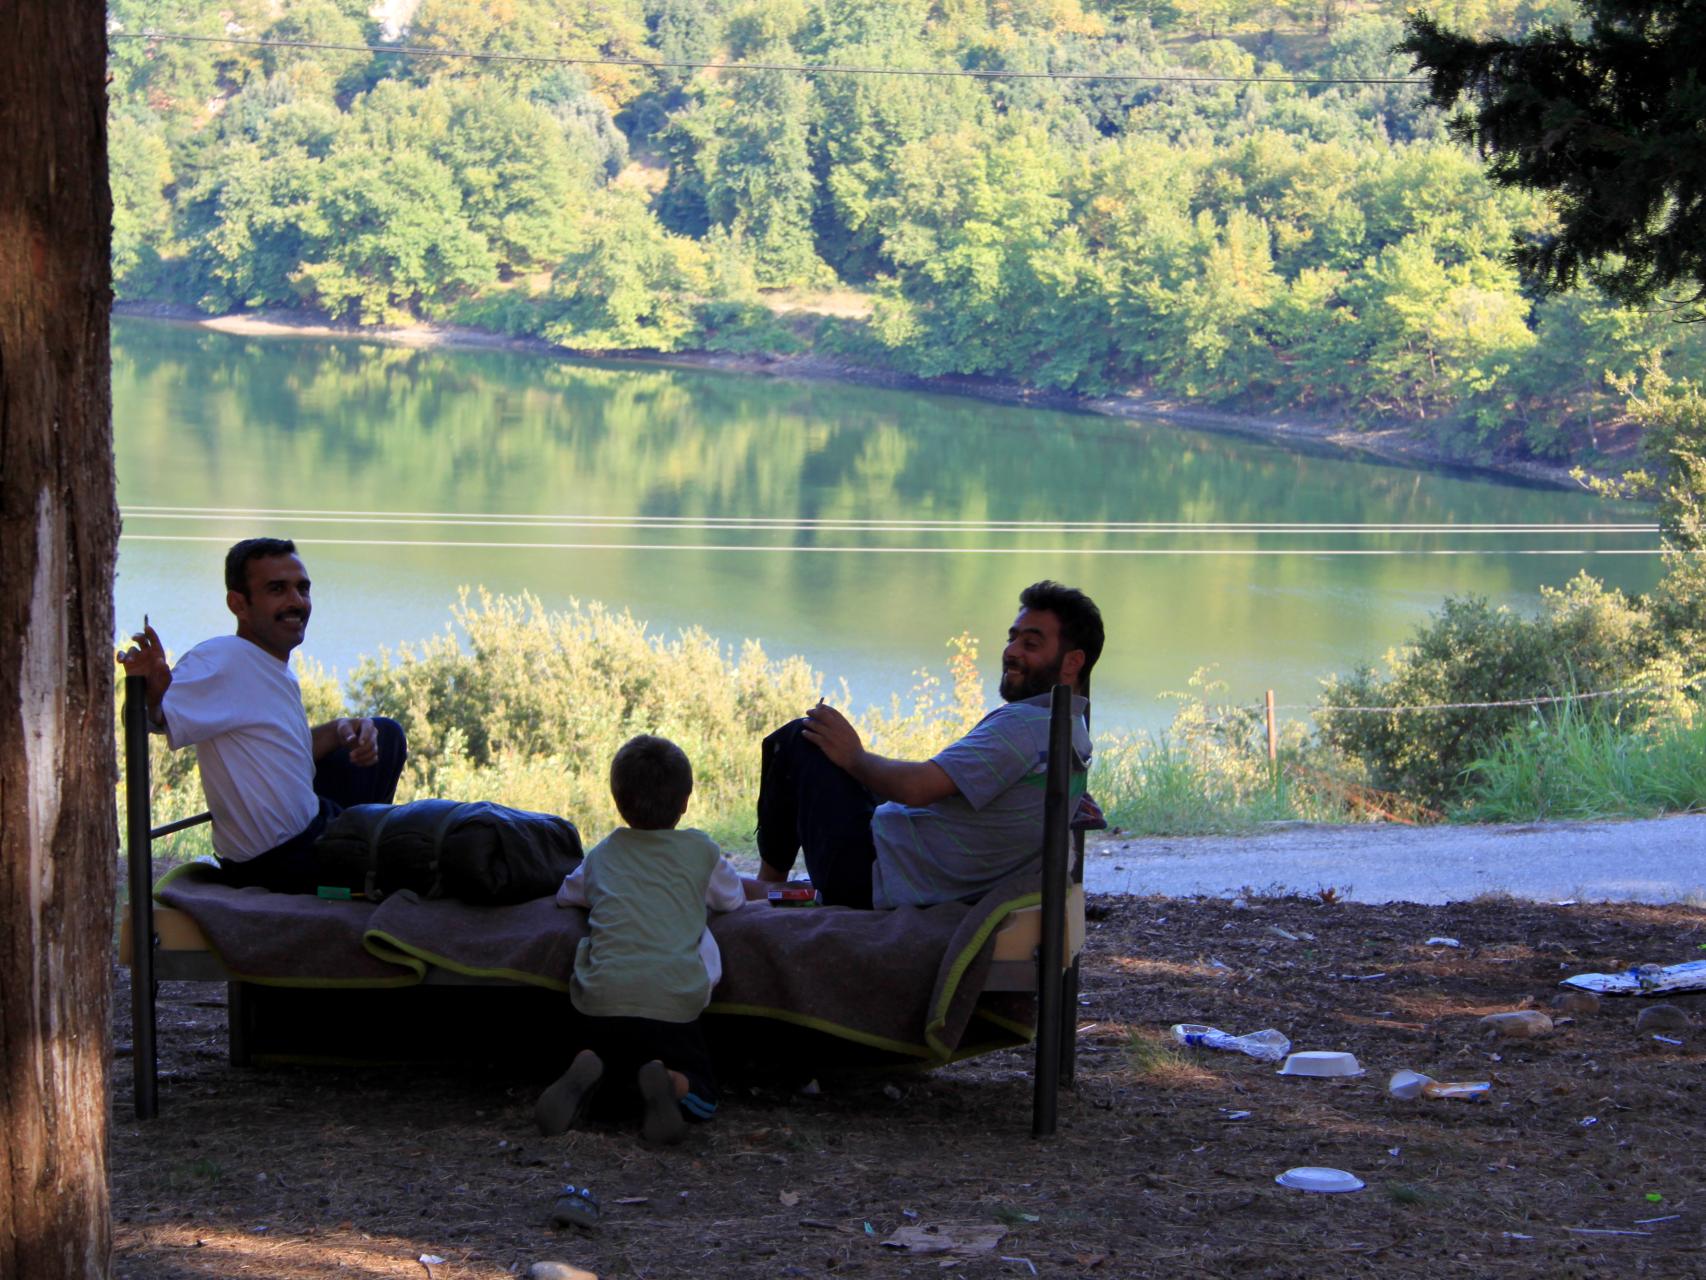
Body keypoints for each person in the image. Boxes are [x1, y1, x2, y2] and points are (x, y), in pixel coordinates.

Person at [754, 580, 1101, 910]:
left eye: (1031, 644)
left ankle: (768, 887)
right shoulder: (1072, 731)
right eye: (1012, 639)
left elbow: (917, 788)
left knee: (803, 737)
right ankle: (774, 893)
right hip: (926, 869)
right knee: (859, 780)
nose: (1011, 651)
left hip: (868, 873)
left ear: (1073, 662)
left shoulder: (1025, 726)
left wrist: (854, 757)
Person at [116, 537, 407, 894]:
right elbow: (150, 718)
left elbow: (283, 751)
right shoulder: (222, 659)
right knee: (437, 846)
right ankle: (364, 873)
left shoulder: (268, 664)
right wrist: (149, 696)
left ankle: (366, 855)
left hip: (314, 825)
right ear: (238, 604)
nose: (296, 601)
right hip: (284, 862)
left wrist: (340, 730)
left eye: (302, 588)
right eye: (277, 589)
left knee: (386, 734)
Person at [537, 734, 745, 1146]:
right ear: (685, 802)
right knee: (705, 1094)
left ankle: (587, 1063)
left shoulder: (603, 854)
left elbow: (566, 894)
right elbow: (733, 899)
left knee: (610, 1076)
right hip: (673, 1003)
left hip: (600, 1001)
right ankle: (673, 1082)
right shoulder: (701, 850)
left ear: (618, 801)